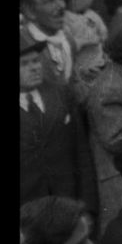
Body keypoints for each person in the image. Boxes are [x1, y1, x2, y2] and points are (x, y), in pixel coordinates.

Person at [20, 25, 90, 206]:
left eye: (35, 61)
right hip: (28, 211)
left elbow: (81, 153)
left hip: (68, 202)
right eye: (24, 64)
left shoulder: (61, 94)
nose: (34, 68)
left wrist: (88, 207)